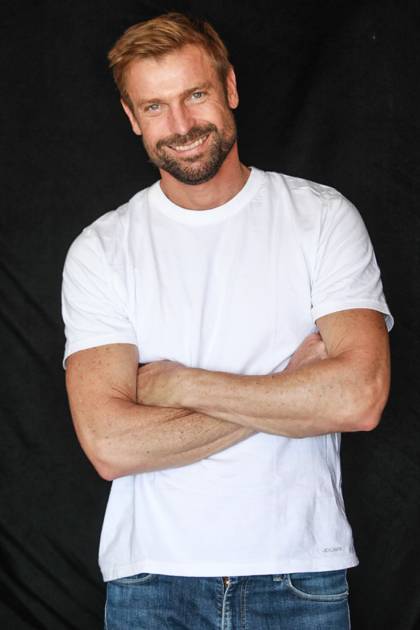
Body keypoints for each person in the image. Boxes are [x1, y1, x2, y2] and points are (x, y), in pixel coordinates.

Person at [62, 11, 393, 630]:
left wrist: (179, 384)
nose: (181, 125)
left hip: (300, 574)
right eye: (155, 107)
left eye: (195, 95)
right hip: (151, 580)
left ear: (230, 87)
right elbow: (110, 445)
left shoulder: (322, 218)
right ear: (132, 118)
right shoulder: (102, 249)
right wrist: (290, 390)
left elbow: (359, 398)